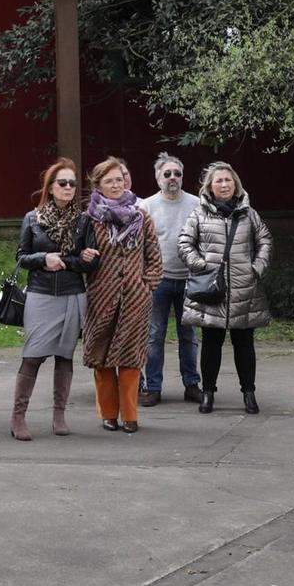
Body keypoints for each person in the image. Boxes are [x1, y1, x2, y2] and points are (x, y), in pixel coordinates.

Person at [11, 158, 98, 440]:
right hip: (41, 294)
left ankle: (59, 415)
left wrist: (80, 259)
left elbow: (89, 262)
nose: (68, 187)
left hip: (73, 294)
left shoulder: (84, 221)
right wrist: (43, 259)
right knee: (33, 357)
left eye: (73, 183)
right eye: (62, 183)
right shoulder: (32, 219)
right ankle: (18, 417)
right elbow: (22, 258)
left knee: (65, 357)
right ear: (50, 187)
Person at [180, 162, 274, 415]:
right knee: (211, 342)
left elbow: (264, 239)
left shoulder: (249, 213)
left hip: (244, 287)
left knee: (245, 343)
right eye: (219, 180)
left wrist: (257, 268)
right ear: (209, 186)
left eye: (228, 180)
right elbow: (185, 243)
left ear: (236, 184)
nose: (224, 184)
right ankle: (208, 392)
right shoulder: (198, 214)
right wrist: (201, 265)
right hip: (213, 289)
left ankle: (249, 393)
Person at [81, 157, 164, 433]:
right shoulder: (90, 219)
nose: (115, 185)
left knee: (130, 359)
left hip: (134, 299)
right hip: (101, 297)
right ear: (98, 185)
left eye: (119, 179)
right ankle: (107, 414)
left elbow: (154, 256)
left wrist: (147, 286)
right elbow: (77, 255)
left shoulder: (142, 217)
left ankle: (130, 416)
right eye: (109, 181)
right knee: (102, 358)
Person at [141, 153, 203, 408]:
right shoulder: (146, 206)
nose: (173, 178)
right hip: (158, 280)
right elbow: (140, 244)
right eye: (167, 174)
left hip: (190, 280)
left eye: (177, 173)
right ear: (158, 178)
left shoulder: (197, 203)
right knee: (154, 336)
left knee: (189, 336)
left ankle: (192, 385)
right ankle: (153, 387)